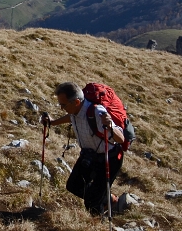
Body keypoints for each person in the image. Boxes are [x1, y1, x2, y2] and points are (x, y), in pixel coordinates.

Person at [41, 82, 130, 215]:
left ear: (76, 102)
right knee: (74, 186)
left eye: (63, 105)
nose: (61, 108)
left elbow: (121, 139)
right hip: (90, 155)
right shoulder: (75, 110)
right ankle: (108, 199)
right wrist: (52, 123)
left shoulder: (97, 113)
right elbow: (71, 117)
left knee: (92, 201)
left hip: (109, 159)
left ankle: (96, 228)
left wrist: (110, 126)